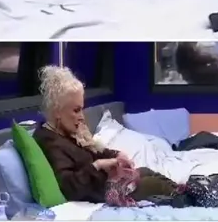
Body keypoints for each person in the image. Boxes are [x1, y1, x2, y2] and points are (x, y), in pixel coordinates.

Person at [34, 66, 178, 203]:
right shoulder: (50, 142)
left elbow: (96, 152)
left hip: (109, 181)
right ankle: (185, 197)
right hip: (105, 191)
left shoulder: (67, 133)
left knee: (148, 172)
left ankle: (186, 192)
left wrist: (117, 155)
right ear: (57, 111)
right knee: (158, 186)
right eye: (76, 110)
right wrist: (98, 166)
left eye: (82, 109)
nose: (82, 117)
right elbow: (69, 187)